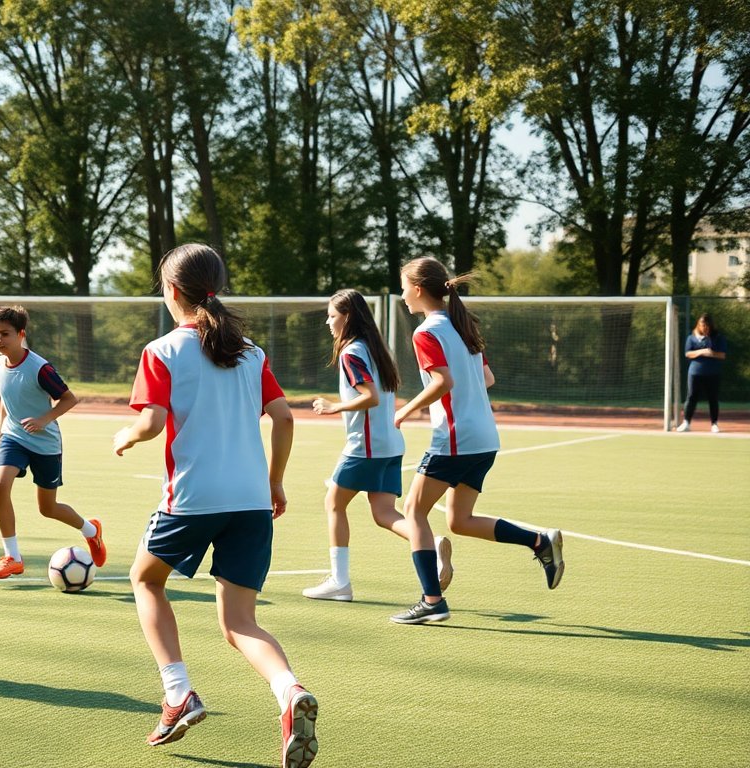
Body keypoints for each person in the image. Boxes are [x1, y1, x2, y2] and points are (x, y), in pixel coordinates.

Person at [113, 244, 317, 768]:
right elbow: (285, 418)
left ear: (172, 291)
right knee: (240, 623)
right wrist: (274, 483)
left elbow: (153, 422)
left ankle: (178, 692)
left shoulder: (161, 351)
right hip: (251, 502)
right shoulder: (251, 352)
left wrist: (127, 434)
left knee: (144, 580)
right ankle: (289, 693)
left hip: (193, 499)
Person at [389, 257, 564, 626]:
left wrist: (405, 411)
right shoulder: (461, 327)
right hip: (484, 437)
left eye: (404, 285)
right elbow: (486, 378)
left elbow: (442, 383)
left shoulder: (425, 333)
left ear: (418, 289)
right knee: (459, 520)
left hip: (456, 438)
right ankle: (539, 542)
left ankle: (432, 600)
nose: (402, 293)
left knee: (413, 511)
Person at [306, 289, 431, 602]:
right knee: (384, 512)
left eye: (332, 315)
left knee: (334, 504)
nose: (327, 321)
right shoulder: (375, 349)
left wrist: (334, 407)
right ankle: (433, 547)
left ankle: (340, 582)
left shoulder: (351, 352)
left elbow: (370, 397)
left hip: (367, 447)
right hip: (390, 445)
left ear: (347, 317)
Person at [0, 305, 106, 579]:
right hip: (14, 436)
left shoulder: (40, 369)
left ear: (21, 334)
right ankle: (12, 557)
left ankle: (91, 530)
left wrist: (43, 419)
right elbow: (7, 398)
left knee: (47, 508)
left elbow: (69, 399)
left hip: (45, 443)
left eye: (5, 334)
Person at [677, 312, 729, 433]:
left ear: (711, 325)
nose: (704, 327)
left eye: (707, 325)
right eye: (702, 324)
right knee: (691, 397)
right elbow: (688, 353)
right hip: (695, 374)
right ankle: (686, 423)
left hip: (713, 373)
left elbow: (722, 355)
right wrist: (702, 351)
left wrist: (712, 353)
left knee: (713, 398)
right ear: (698, 324)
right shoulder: (691, 337)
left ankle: (714, 424)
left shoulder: (718, 337)